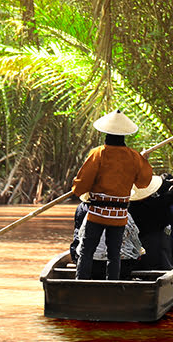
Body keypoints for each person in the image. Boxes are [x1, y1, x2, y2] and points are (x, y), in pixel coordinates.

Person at [70, 110, 154, 280]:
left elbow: (83, 181)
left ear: (106, 133)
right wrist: (143, 160)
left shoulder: (99, 153)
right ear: (124, 135)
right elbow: (143, 182)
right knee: (114, 253)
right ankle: (112, 284)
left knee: (87, 250)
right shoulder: (133, 157)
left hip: (97, 213)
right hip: (119, 215)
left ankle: (81, 283)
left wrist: (76, 191)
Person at [69, 202, 144, 279]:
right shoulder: (124, 214)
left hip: (93, 265)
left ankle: (82, 281)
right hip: (122, 265)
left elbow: (79, 237)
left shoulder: (90, 214)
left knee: (85, 254)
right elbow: (135, 241)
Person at [129, 174, 173, 270]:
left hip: (139, 247)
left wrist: (165, 182)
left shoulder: (131, 206)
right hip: (157, 245)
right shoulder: (157, 203)